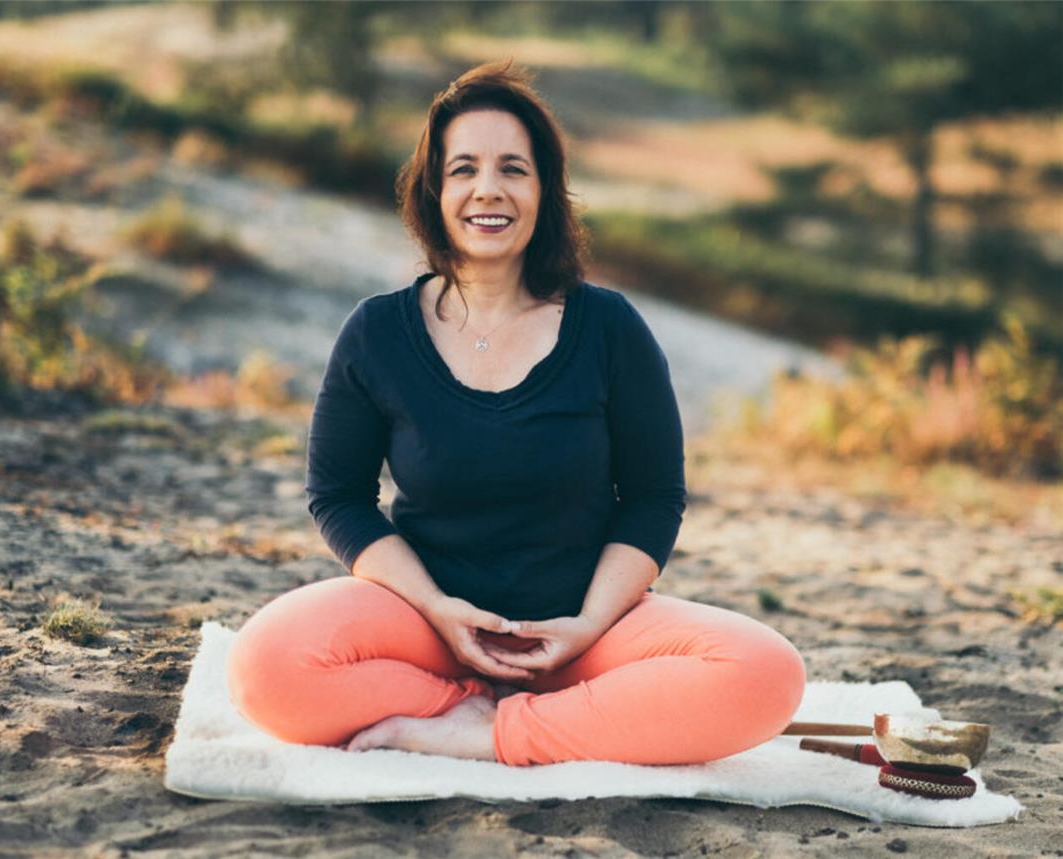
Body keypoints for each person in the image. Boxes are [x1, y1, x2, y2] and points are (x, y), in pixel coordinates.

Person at [226, 59, 805, 767]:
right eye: (464, 168)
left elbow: (653, 498)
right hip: (426, 625)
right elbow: (338, 496)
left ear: (545, 191)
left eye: (513, 169)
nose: (488, 190)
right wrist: (438, 609)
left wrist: (589, 623)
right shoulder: (376, 332)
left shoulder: (610, 327)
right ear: (435, 190)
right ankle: (462, 706)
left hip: (582, 631)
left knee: (765, 672)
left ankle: (490, 731)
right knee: (265, 666)